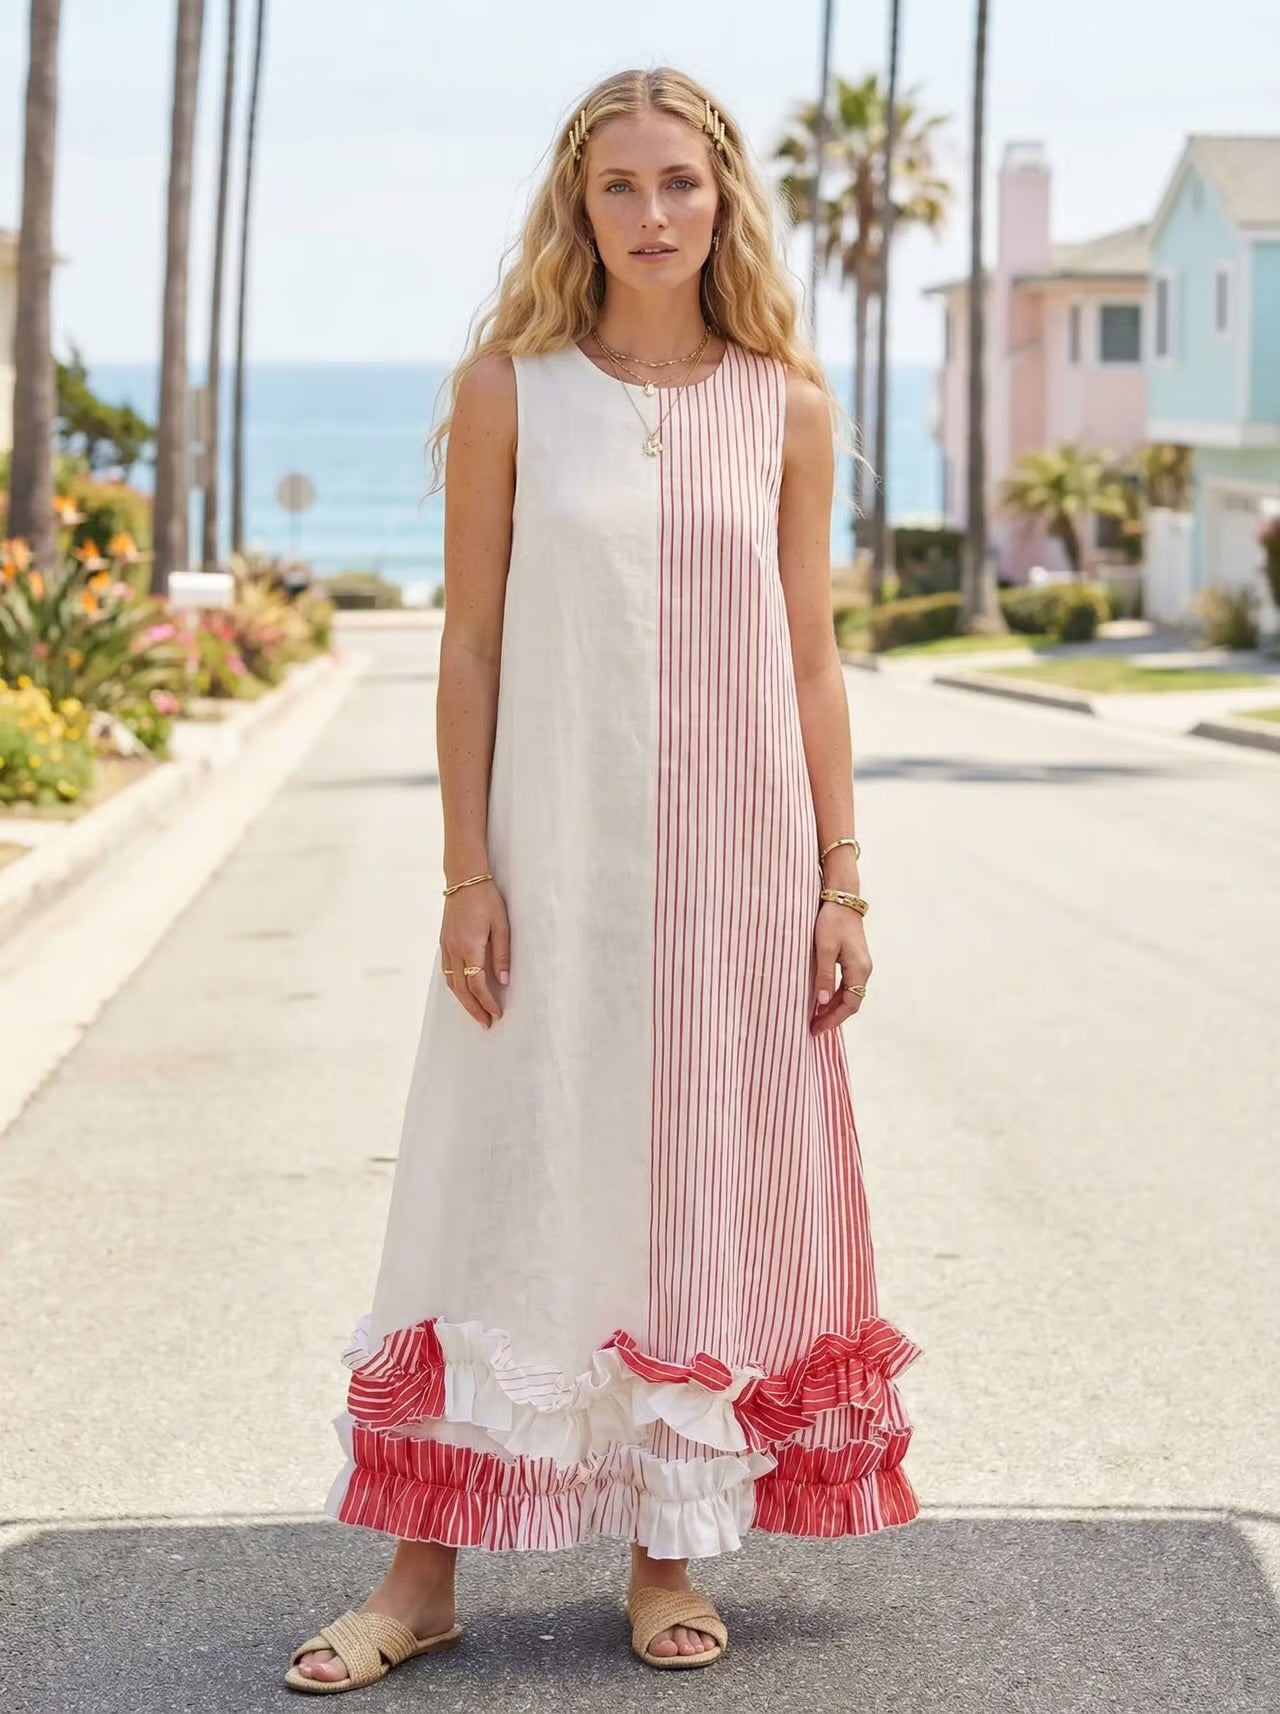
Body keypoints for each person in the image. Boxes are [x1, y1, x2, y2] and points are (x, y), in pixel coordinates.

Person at [286, 65, 921, 1695]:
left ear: (723, 201)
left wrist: (841, 879)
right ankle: (420, 1574)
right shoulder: (511, 389)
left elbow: (811, 658)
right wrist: (465, 871)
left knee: (694, 1191)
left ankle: (668, 1551)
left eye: (680, 183)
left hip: (737, 874)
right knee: (498, 1169)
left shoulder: (785, 405)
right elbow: (473, 644)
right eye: (621, 184)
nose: (652, 213)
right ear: (579, 204)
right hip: (552, 862)